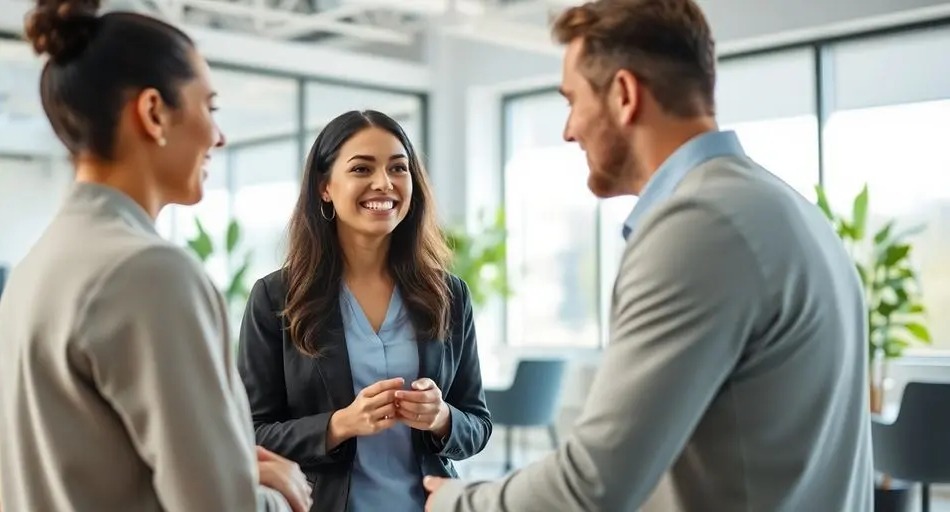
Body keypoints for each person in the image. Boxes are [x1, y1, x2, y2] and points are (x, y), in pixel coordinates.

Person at [424, 1, 873, 511]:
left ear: (623, 94)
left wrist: (455, 502)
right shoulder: (783, 208)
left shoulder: (700, 225)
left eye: (572, 101)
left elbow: (591, 486)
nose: (569, 130)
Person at [0, 1, 310, 511]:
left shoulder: (37, 268)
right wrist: (278, 488)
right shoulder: (149, 272)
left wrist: (228, 463)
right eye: (210, 107)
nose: (219, 136)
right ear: (154, 113)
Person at [238, 110, 492, 512]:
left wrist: (442, 416)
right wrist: (339, 425)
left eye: (398, 168)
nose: (384, 183)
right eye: (362, 168)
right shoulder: (276, 297)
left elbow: (477, 423)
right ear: (325, 186)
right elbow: (248, 433)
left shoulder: (449, 294)